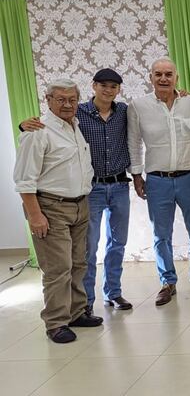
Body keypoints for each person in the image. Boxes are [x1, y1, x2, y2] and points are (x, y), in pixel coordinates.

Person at [20, 68, 134, 314]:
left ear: (118, 90)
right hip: (90, 191)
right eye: (103, 85)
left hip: (118, 186)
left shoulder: (124, 111)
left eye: (113, 86)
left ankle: (113, 293)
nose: (108, 90)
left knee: (117, 243)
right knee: (87, 250)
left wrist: (179, 95)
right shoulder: (76, 113)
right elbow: (43, 133)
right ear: (93, 86)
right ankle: (86, 304)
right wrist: (23, 125)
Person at [14, 79, 103, 343]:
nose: (67, 104)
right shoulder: (37, 131)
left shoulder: (75, 126)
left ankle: (76, 312)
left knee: (78, 263)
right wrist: (34, 214)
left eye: (72, 99)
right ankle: (55, 322)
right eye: (60, 99)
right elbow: (24, 180)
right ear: (48, 100)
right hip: (51, 207)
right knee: (57, 268)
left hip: (79, 205)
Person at [128, 57, 190, 306]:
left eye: (168, 74)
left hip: (189, 177)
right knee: (161, 234)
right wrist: (136, 175)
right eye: (158, 74)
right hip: (157, 180)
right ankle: (168, 281)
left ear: (177, 77)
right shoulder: (138, 106)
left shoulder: (189, 101)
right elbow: (134, 143)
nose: (163, 79)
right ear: (150, 77)